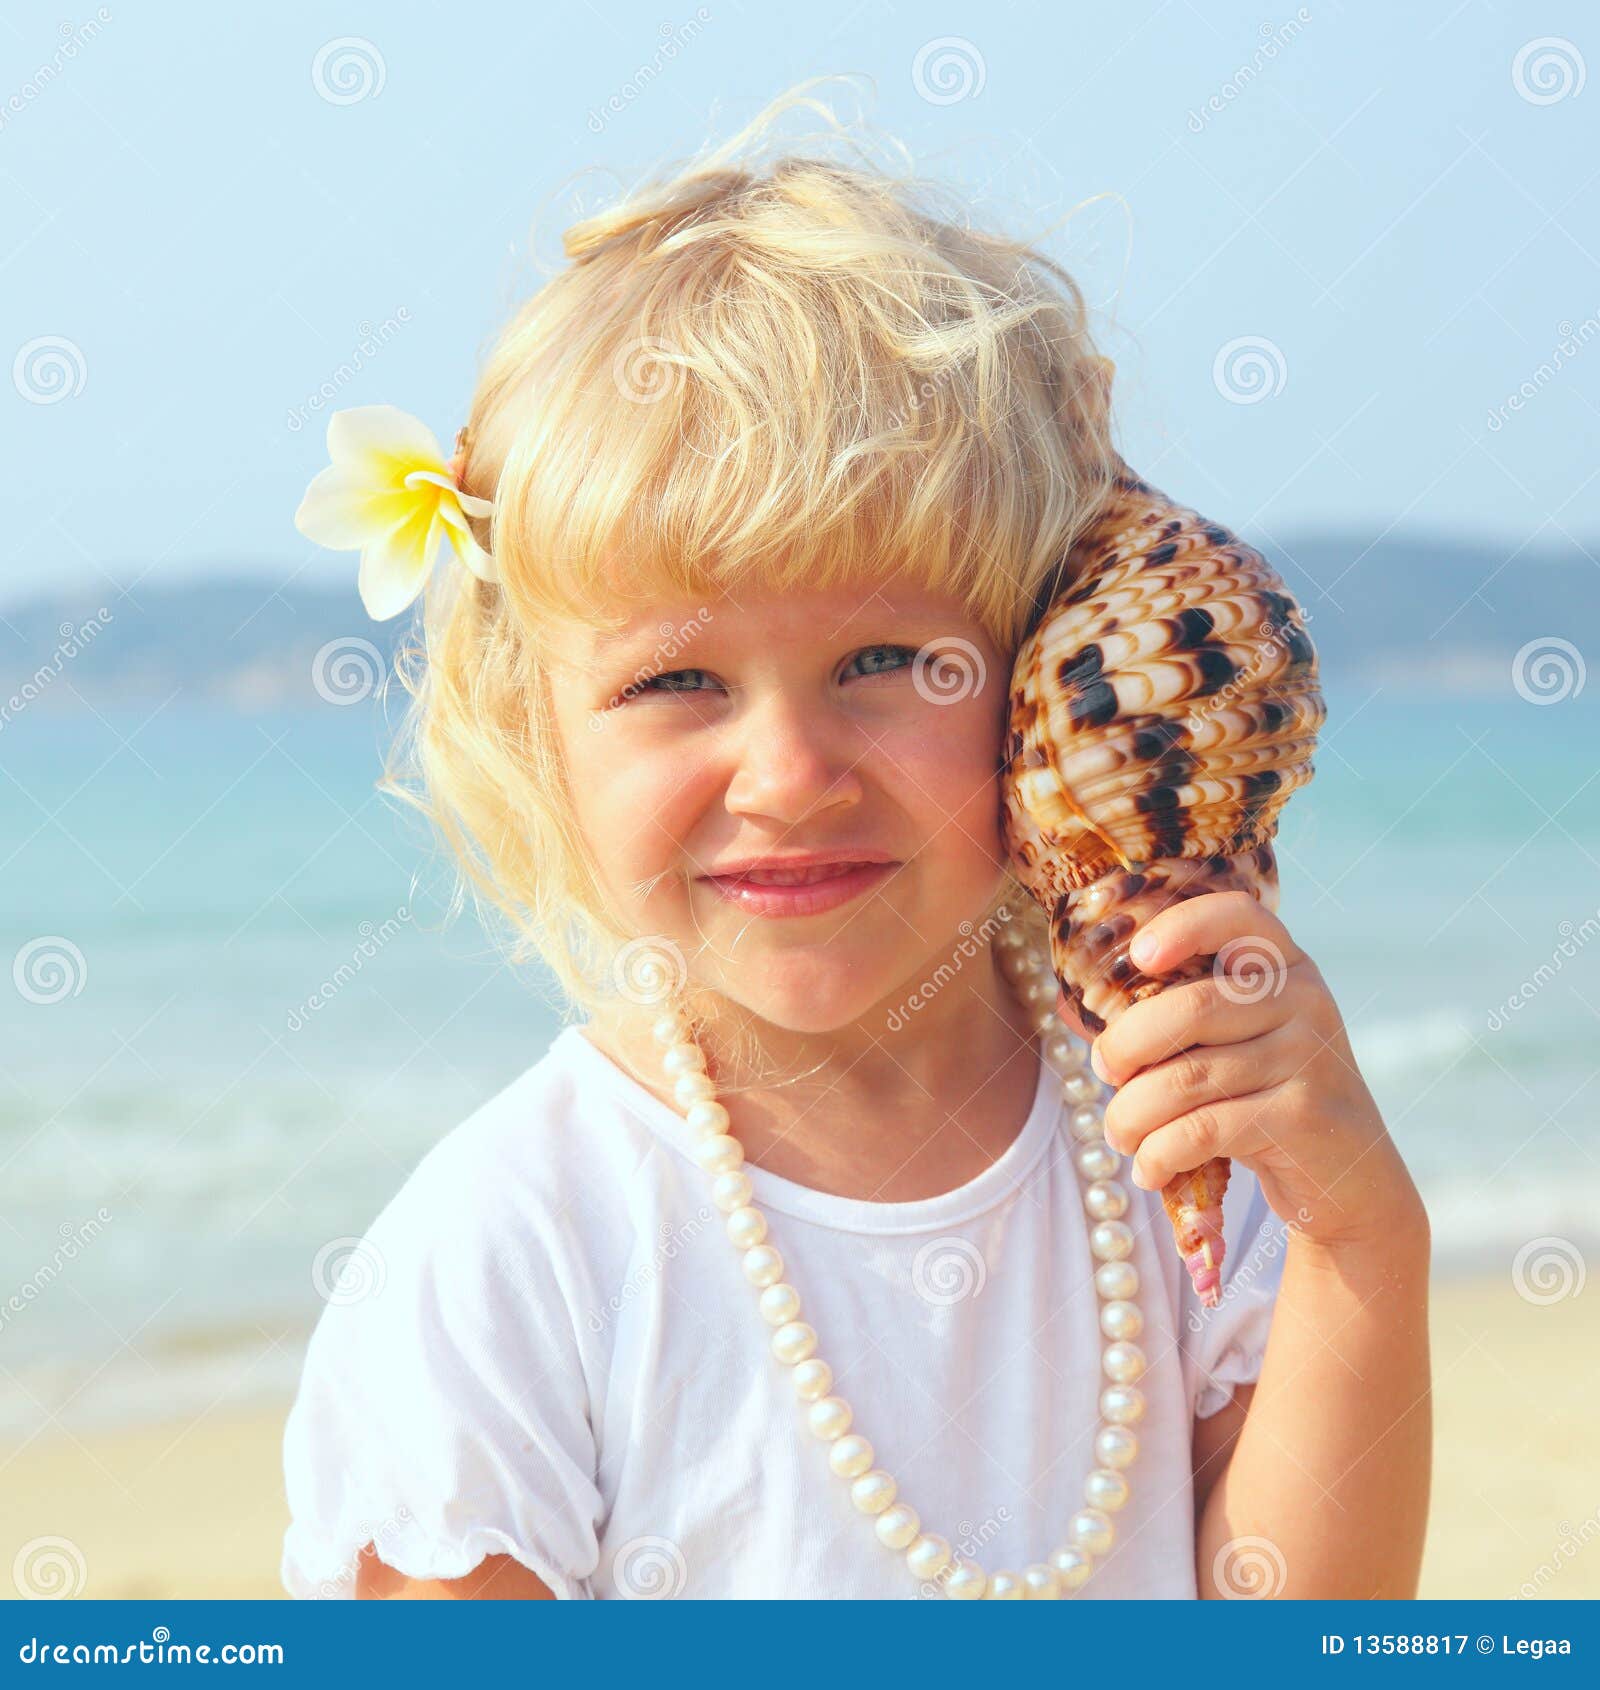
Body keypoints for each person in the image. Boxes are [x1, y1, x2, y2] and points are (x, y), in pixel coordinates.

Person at [280, 79, 1430, 1601]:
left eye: (890, 663)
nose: (790, 771)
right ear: (530, 726)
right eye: (676, 679)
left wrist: (1361, 1244)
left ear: (1032, 678)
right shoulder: (514, 1255)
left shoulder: (1160, 1141)